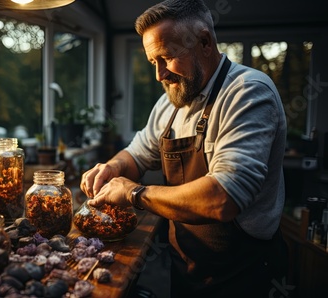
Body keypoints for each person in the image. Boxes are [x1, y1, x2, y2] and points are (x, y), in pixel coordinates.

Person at [80, 0, 288, 297]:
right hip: (187, 268)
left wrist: (133, 193)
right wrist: (112, 168)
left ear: (204, 41)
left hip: (245, 274)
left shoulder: (248, 92)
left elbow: (223, 199)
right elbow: (137, 154)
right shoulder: (171, 102)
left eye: (166, 57)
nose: (159, 75)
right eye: (154, 62)